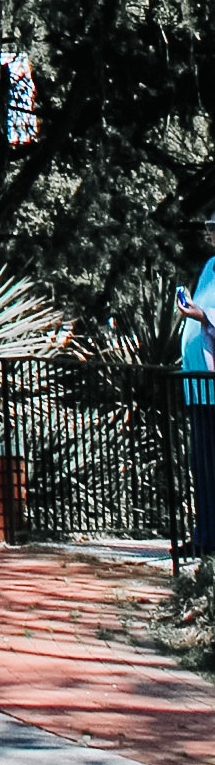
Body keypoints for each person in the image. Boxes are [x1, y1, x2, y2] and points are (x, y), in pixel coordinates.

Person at [174, 213, 215, 557]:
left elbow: (208, 314)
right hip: (200, 388)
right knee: (202, 466)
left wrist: (200, 315)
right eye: (209, 229)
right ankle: (205, 535)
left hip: (213, 385)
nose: (210, 234)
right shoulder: (211, 267)